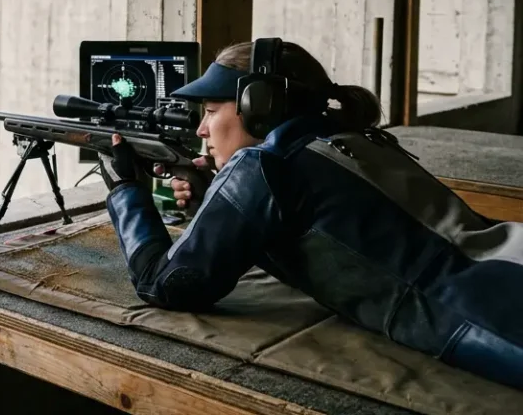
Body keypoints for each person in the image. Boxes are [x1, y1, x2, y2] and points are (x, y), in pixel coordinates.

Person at [97, 37, 523, 390]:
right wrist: (220, 198)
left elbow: (166, 285)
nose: (201, 130)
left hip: (490, 319)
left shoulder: (264, 165)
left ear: (257, 108)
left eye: (210, 112)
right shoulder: (359, 137)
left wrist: (125, 191)